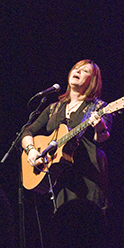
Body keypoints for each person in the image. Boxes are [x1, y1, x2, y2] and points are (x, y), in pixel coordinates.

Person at [21, 59, 112, 211]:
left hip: (89, 176)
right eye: (76, 68)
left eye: (85, 71)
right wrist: (31, 150)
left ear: (92, 81)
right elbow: (28, 131)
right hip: (62, 179)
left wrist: (99, 125)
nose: (78, 71)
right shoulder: (54, 108)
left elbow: (102, 139)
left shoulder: (99, 107)